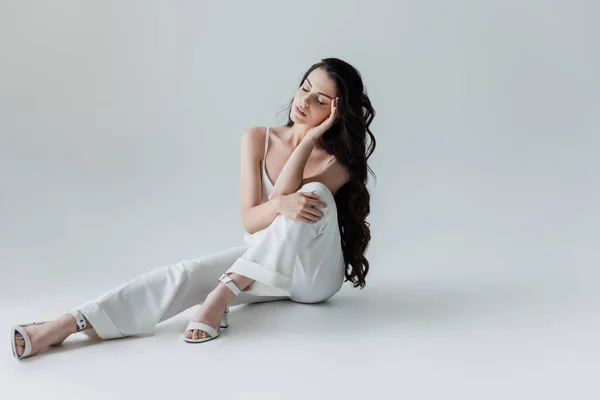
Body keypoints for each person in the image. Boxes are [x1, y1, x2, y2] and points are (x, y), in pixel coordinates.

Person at [11, 57, 377, 359]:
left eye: (320, 100)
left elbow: (286, 212)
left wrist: (309, 139)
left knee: (312, 193)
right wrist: (280, 200)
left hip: (312, 278)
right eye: (305, 87)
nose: (304, 100)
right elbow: (254, 223)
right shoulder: (257, 139)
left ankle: (224, 292)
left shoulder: (337, 164)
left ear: (337, 112)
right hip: (265, 264)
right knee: (185, 274)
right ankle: (66, 324)